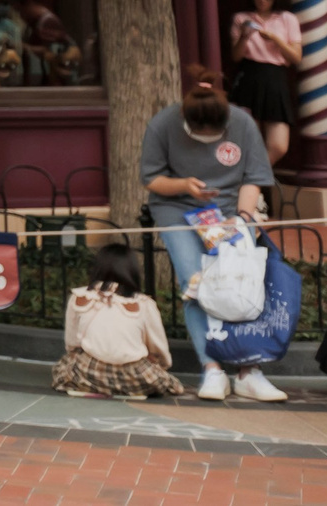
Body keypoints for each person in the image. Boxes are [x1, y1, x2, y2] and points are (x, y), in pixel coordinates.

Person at [144, 64, 284, 401]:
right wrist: (184, 186)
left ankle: (249, 371)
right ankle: (212, 369)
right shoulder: (162, 124)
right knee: (195, 282)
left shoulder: (244, 123)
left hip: (231, 210)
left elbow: (253, 177)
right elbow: (152, 178)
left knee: (241, 282)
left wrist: (243, 218)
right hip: (177, 208)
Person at [51, 242, 184, 400]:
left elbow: (72, 343)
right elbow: (157, 345)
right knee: (171, 385)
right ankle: (130, 389)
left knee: (61, 367)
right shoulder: (144, 303)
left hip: (88, 370)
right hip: (135, 375)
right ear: (133, 270)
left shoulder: (80, 297)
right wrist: (162, 366)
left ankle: (92, 386)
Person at [230, 0, 304, 165]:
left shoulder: (287, 18)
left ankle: (250, 180)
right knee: (249, 142)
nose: (261, 0)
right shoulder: (242, 18)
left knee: (279, 145)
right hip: (250, 76)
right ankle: (251, 188)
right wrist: (245, 36)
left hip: (276, 78)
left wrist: (276, 39)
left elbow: (296, 57)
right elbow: (236, 56)